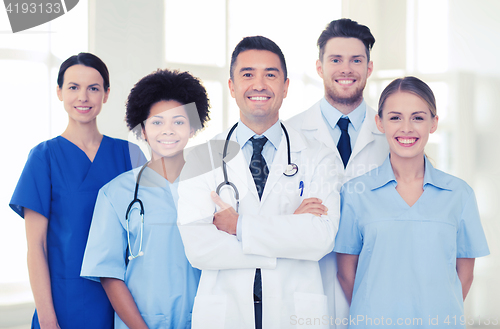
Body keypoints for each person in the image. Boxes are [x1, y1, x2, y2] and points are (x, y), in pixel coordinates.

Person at [177, 36, 339, 329]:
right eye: (248, 74)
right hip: (226, 312)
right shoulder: (201, 159)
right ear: (232, 87)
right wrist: (289, 229)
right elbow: (199, 249)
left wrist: (239, 226)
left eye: (271, 74)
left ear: (286, 86)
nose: (259, 84)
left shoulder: (318, 156)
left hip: (295, 311)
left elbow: (320, 238)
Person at [334, 76, 490, 328]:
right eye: (395, 117)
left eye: (418, 117)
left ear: (433, 123)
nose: (406, 128)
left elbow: (466, 274)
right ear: (380, 122)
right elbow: (345, 273)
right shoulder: (355, 193)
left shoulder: (459, 194)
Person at [9, 52, 145, 329]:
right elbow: (37, 246)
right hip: (64, 302)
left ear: (106, 94)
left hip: (124, 299)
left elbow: (150, 232)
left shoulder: (129, 154)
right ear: (59, 92)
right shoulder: (44, 157)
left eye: (93, 88)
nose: (83, 97)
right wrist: (47, 319)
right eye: (73, 87)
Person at [80, 69, 210, 329]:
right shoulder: (116, 193)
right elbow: (109, 274)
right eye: (157, 122)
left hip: (207, 320)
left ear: (193, 129)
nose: (168, 131)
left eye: (179, 122)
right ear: (143, 129)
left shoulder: (212, 187)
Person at [286, 18, 389, 327]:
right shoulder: (288, 134)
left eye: (356, 60)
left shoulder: (395, 135)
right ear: (319, 67)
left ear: (369, 68)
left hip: (374, 280)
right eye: (336, 60)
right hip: (306, 282)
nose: (346, 69)